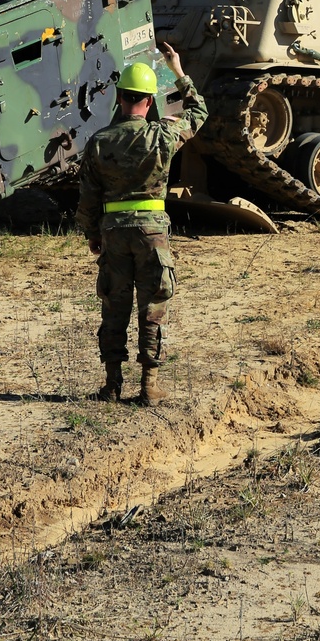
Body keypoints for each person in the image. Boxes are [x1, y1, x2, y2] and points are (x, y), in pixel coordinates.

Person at [76, 42, 207, 405]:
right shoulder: (162, 136)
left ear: (119, 98)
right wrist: (178, 71)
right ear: (149, 102)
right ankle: (149, 384)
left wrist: (93, 235)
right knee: (153, 305)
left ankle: (112, 384)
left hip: (114, 232)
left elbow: (87, 198)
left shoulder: (99, 142)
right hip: (152, 233)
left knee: (115, 306)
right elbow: (199, 112)